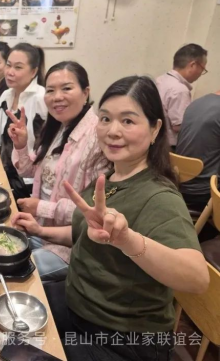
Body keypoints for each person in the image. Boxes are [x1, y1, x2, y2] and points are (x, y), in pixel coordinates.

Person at [12, 76, 208, 360]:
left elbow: (197, 279)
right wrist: (40, 231)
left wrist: (127, 240)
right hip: (78, 305)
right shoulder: (111, 177)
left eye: (128, 121)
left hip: (121, 339)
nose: (113, 131)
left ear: (155, 129)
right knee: (6, 315)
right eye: (105, 119)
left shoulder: (159, 197)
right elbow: (84, 232)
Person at [7, 61, 109, 282]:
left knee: (11, 269)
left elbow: (94, 212)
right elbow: (30, 171)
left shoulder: (99, 137)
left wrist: (41, 207)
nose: (57, 97)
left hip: (71, 245)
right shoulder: (59, 127)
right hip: (40, 229)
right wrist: (21, 144)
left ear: (86, 92)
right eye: (51, 90)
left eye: (66, 88)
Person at [0, 43, 47, 200]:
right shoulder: (7, 95)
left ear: (33, 72)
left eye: (18, 67)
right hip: (5, 173)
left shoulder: (41, 98)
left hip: (28, 183)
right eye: (8, 65)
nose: (10, 72)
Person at [155, 43, 208, 150]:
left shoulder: (160, 79)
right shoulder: (180, 90)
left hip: (153, 139)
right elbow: (178, 126)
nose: (200, 74)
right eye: (202, 69)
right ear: (193, 65)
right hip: (166, 147)